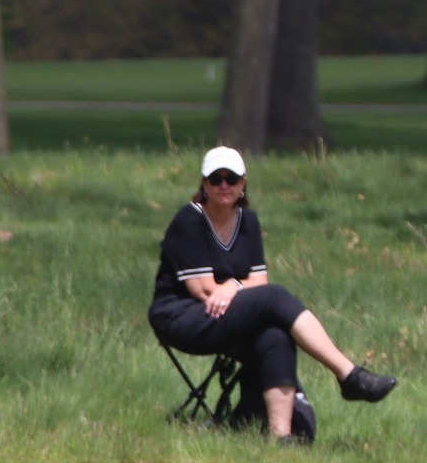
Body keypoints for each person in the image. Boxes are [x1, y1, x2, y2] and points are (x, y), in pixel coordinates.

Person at [150, 146, 396, 440]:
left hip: (226, 313)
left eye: (232, 179)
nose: (224, 186)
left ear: (243, 184)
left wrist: (234, 285)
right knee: (275, 298)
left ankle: (282, 437)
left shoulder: (248, 222)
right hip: (182, 316)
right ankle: (348, 374)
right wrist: (236, 286)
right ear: (204, 184)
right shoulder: (189, 221)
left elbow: (258, 281)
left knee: (275, 336)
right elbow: (204, 290)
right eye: (216, 179)